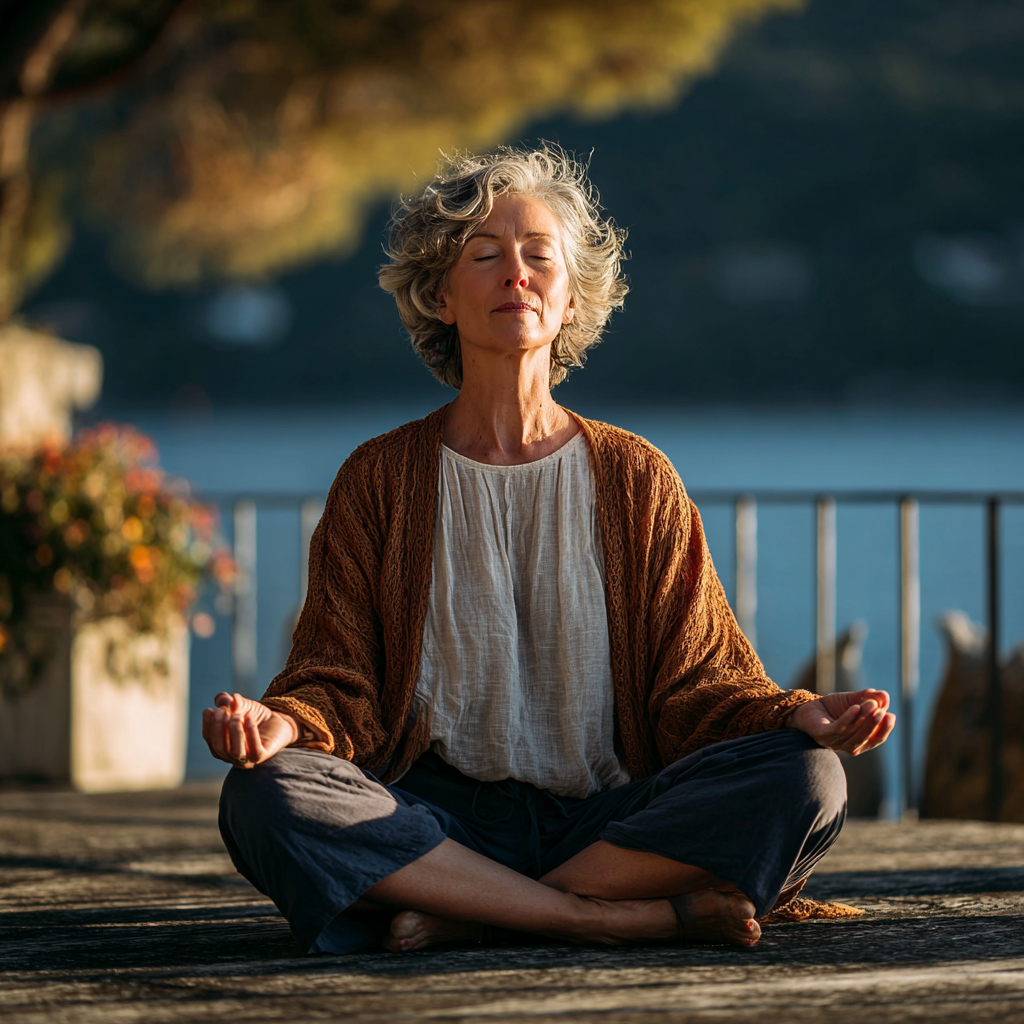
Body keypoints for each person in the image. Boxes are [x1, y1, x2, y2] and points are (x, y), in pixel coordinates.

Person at [203, 147, 895, 956]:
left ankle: (469, 914)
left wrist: (795, 715)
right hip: (434, 820)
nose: (516, 276)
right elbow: (338, 677)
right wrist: (282, 723)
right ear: (440, 294)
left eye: (539, 257)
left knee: (809, 778)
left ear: (571, 301)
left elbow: (701, 685)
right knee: (263, 797)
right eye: (485, 256)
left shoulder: (636, 477)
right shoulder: (379, 478)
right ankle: (597, 918)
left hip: (606, 822)